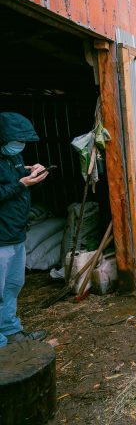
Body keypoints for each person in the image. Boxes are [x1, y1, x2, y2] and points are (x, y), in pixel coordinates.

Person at [0, 112, 49, 347]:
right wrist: (21, 184)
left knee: (12, 286)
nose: (20, 145)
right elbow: (8, 189)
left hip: (15, 233)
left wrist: (29, 173)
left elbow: (12, 182)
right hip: (0, 238)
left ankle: (11, 331)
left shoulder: (13, 158)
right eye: (16, 140)